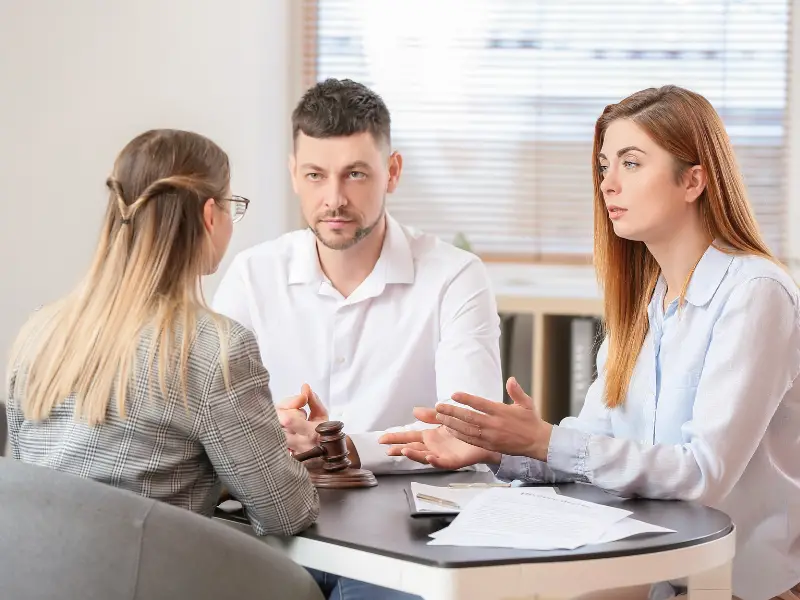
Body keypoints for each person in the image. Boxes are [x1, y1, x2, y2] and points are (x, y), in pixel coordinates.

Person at [381, 86, 800, 600]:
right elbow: (595, 443)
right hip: (653, 569)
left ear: (693, 180)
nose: (608, 184)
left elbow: (702, 473)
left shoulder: (755, 293)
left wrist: (543, 440)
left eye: (631, 163)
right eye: (604, 166)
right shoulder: (645, 307)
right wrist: (497, 449)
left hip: (738, 587)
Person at [211, 78, 503, 600]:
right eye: (315, 175)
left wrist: (338, 448)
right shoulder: (253, 275)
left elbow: (468, 434)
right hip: (276, 529)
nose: (334, 199)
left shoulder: (455, 276)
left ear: (392, 172)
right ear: (294, 175)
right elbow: (215, 418)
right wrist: (275, 429)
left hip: (408, 536)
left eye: (355, 174)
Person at [5, 129, 319, 537]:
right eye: (232, 206)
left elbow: (39, 480)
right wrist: (266, 454)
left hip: (31, 569)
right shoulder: (216, 349)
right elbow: (286, 514)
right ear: (210, 215)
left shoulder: (39, 331)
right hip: (146, 571)